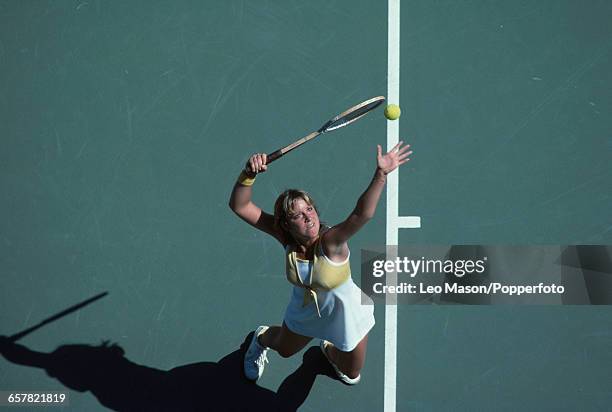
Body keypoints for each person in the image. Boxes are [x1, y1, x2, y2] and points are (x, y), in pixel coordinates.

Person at [228, 141, 412, 385]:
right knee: (284, 349)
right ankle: (260, 339)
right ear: (285, 224)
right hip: (306, 310)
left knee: (351, 373)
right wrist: (248, 174)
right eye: (298, 215)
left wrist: (380, 175)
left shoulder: (331, 242)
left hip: (344, 312)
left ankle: (329, 350)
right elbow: (240, 205)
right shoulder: (285, 238)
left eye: (310, 209)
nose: (308, 217)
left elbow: (362, 214)